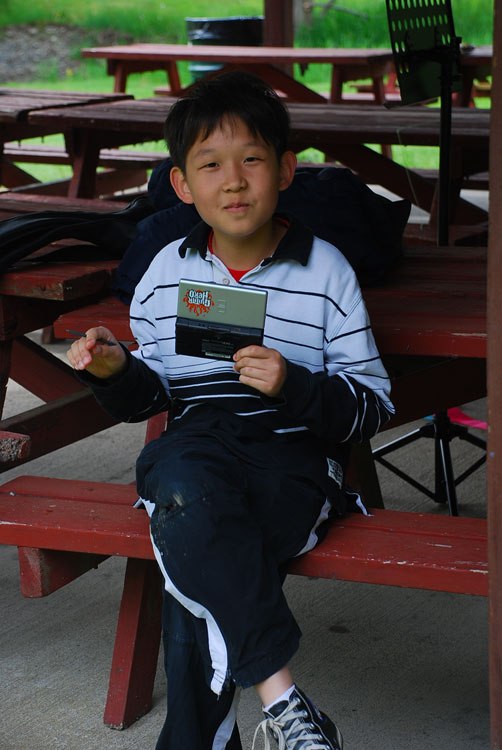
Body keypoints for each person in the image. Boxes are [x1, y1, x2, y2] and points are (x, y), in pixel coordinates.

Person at [66, 71, 394, 750]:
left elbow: (371, 407)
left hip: (291, 466)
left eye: (251, 159)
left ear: (286, 171)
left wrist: (294, 385)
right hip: (195, 454)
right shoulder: (165, 273)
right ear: (182, 184)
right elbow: (154, 395)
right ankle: (286, 701)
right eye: (211, 165)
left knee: (201, 547)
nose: (234, 182)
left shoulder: (326, 272)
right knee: (188, 490)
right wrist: (116, 370)